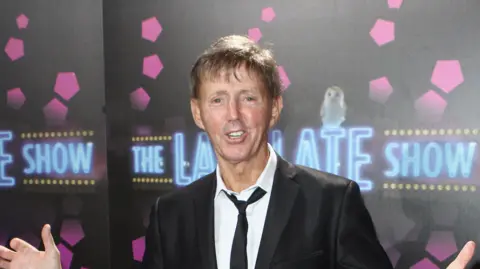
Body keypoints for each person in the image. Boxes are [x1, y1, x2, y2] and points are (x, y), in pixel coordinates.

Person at [0, 35, 477, 269]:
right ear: (196, 112)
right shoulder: (172, 214)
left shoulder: (332, 201)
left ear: (273, 109)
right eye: (217, 100)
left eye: (249, 97)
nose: (233, 116)